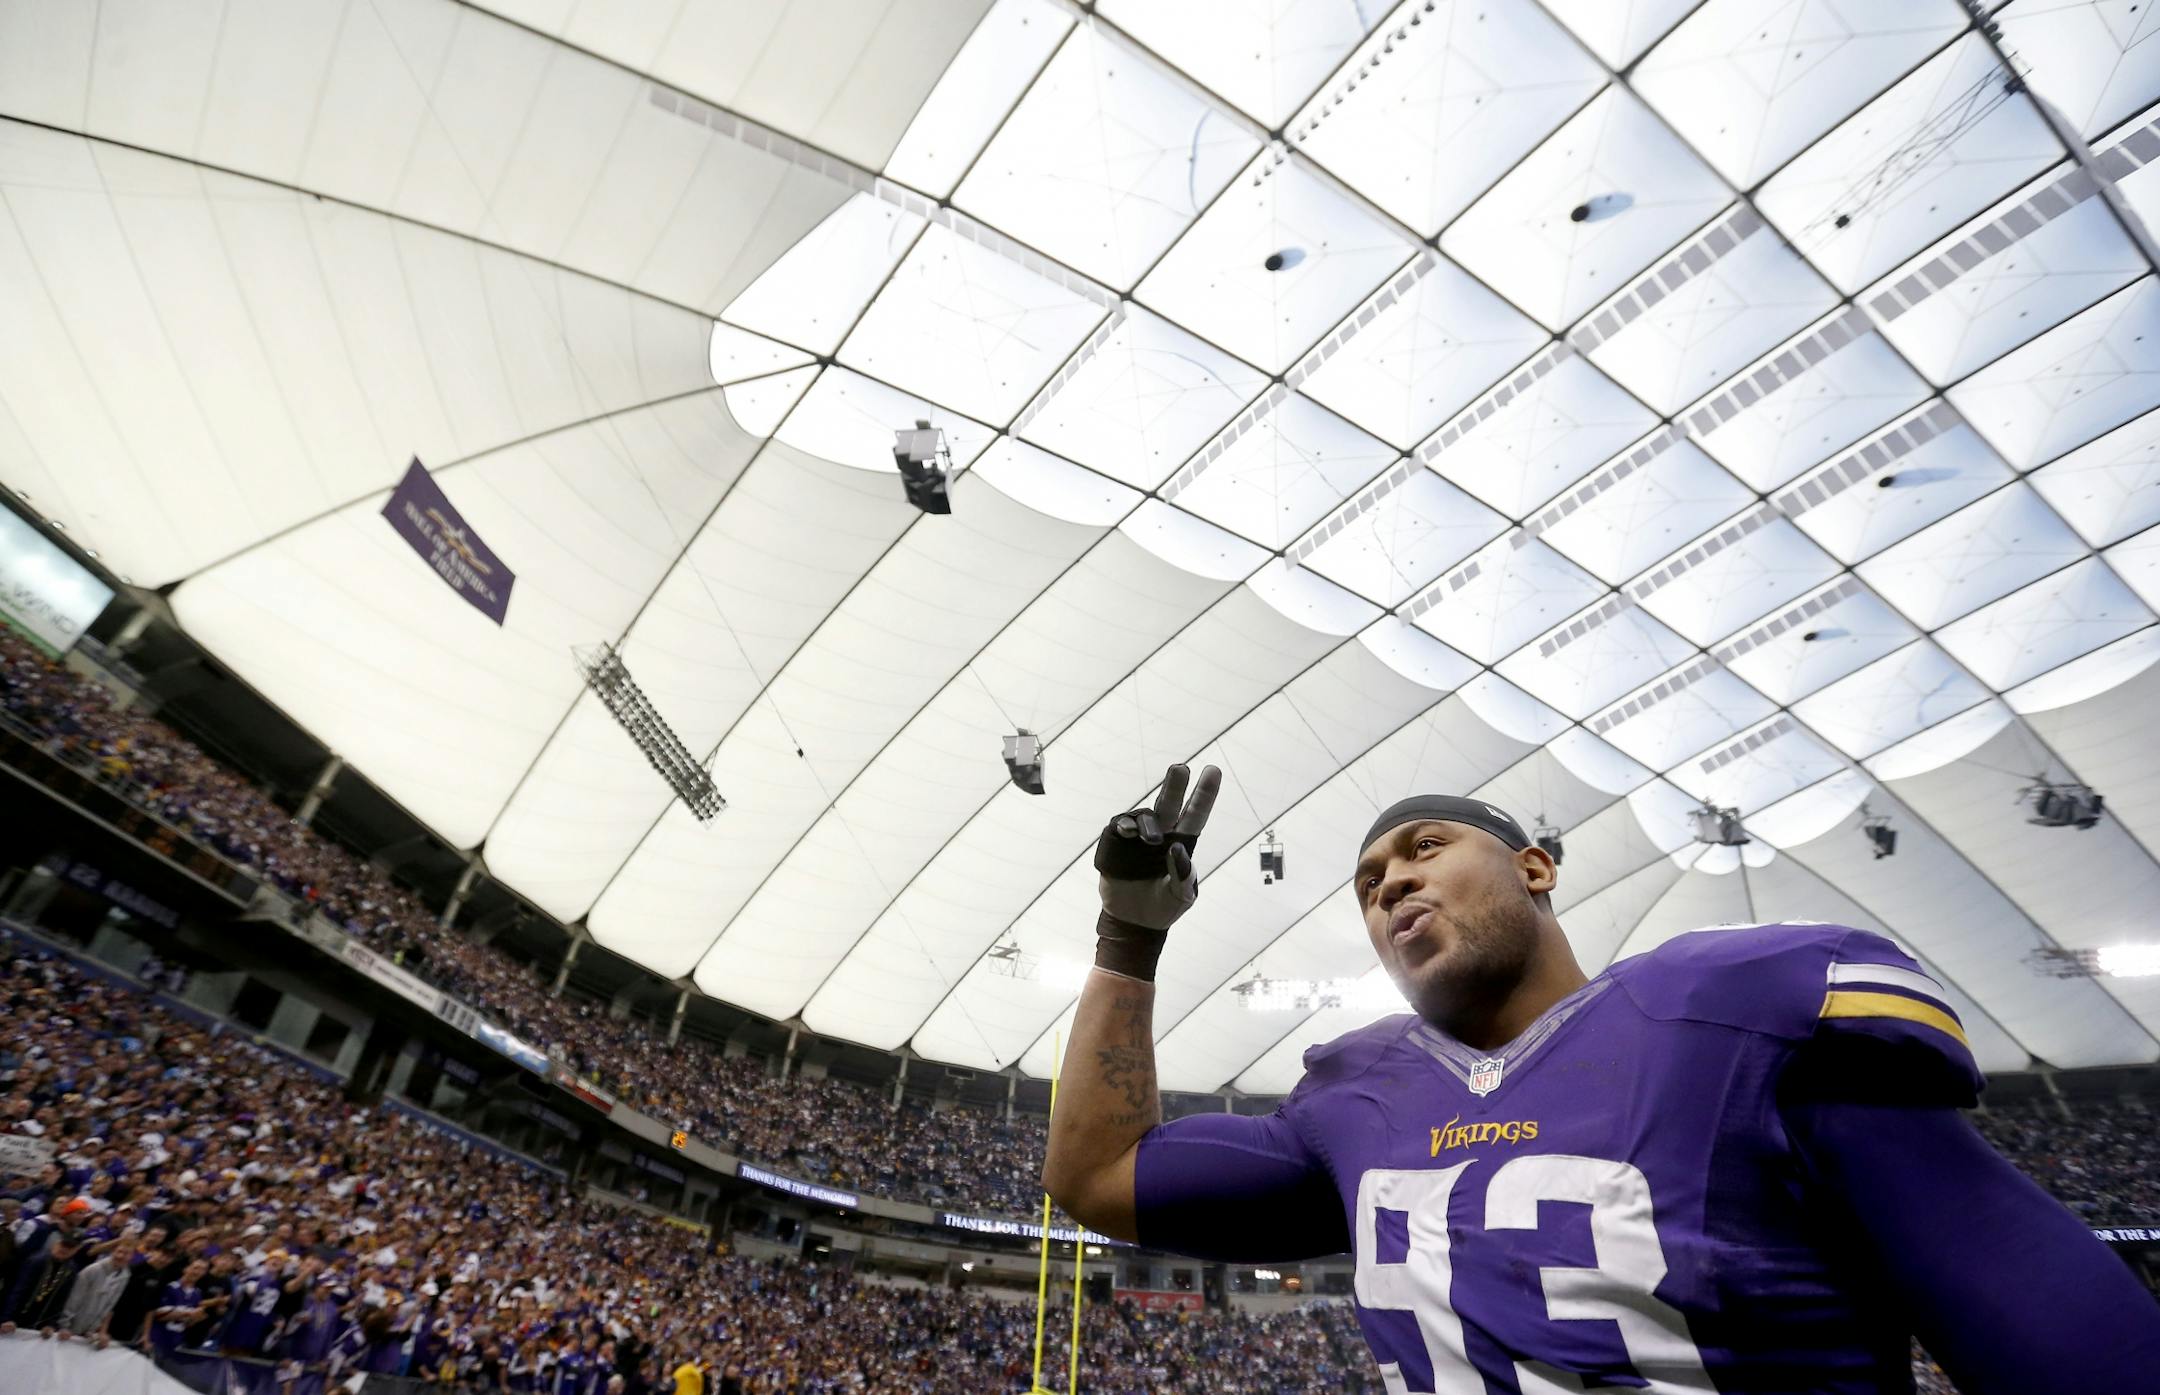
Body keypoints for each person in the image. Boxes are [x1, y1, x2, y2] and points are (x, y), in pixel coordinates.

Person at [1042, 766, 2160, 1394]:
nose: (1390, 885)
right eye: (1369, 882)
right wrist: (1126, 936)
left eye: (1424, 848)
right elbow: (1095, 1173)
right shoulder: (1351, 1103)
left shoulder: (1729, 1014)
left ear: (1535, 867)